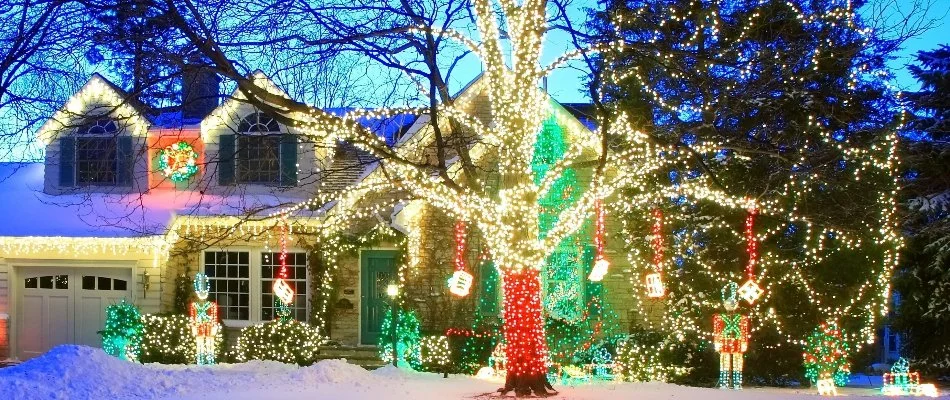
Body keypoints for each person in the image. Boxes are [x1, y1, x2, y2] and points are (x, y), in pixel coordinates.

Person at [712, 282, 749, 389]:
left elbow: (744, 331)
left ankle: (737, 383)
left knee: (737, 363)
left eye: (733, 303)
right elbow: (717, 331)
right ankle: (724, 383)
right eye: (728, 303)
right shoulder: (719, 317)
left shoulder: (742, 318)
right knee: (724, 363)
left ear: (737, 304)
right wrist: (717, 343)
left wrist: (744, 342)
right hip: (724, 342)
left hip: (737, 342)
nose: (730, 305)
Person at [190, 273, 219, 365]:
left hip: (209, 326)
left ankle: (210, 360)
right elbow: (193, 317)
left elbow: (214, 316)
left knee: (210, 343)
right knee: (200, 344)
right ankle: (200, 360)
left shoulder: (211, 305)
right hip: (199, 326)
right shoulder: (194, 305)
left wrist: (214, 327)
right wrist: (193, 327)